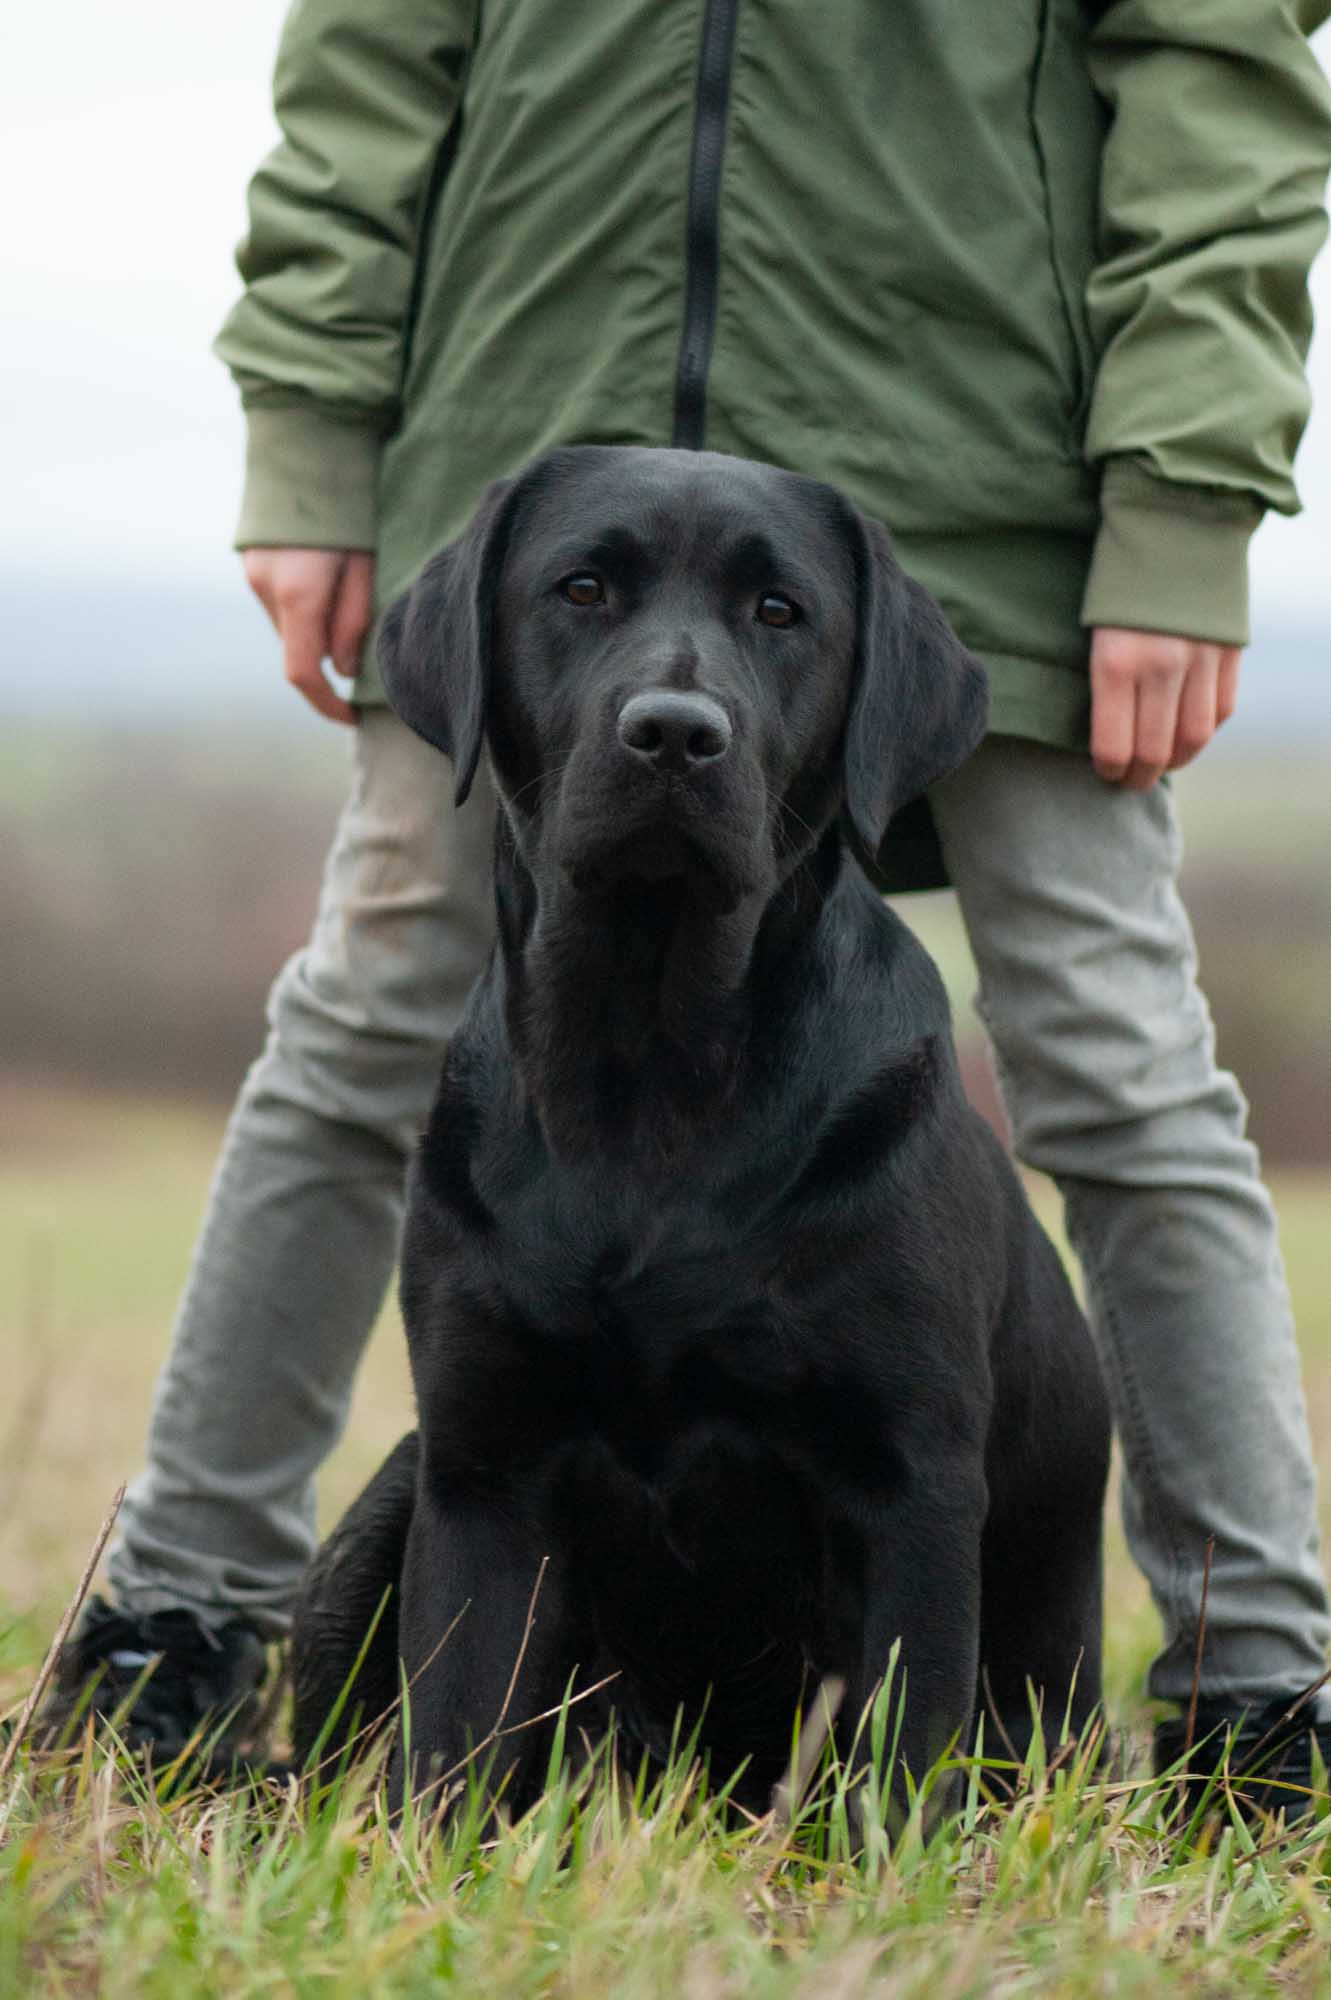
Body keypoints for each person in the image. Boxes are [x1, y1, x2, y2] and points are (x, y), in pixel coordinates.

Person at [50, 1, 1331, 1792]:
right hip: (520, 421)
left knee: (1122, 1061)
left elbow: (1219, 51)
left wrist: (1184, 490)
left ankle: (1258, 1701)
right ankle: (169, 1631)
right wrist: (316, 424)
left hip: (987, 451)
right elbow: (370, 48)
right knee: (358, 1026)